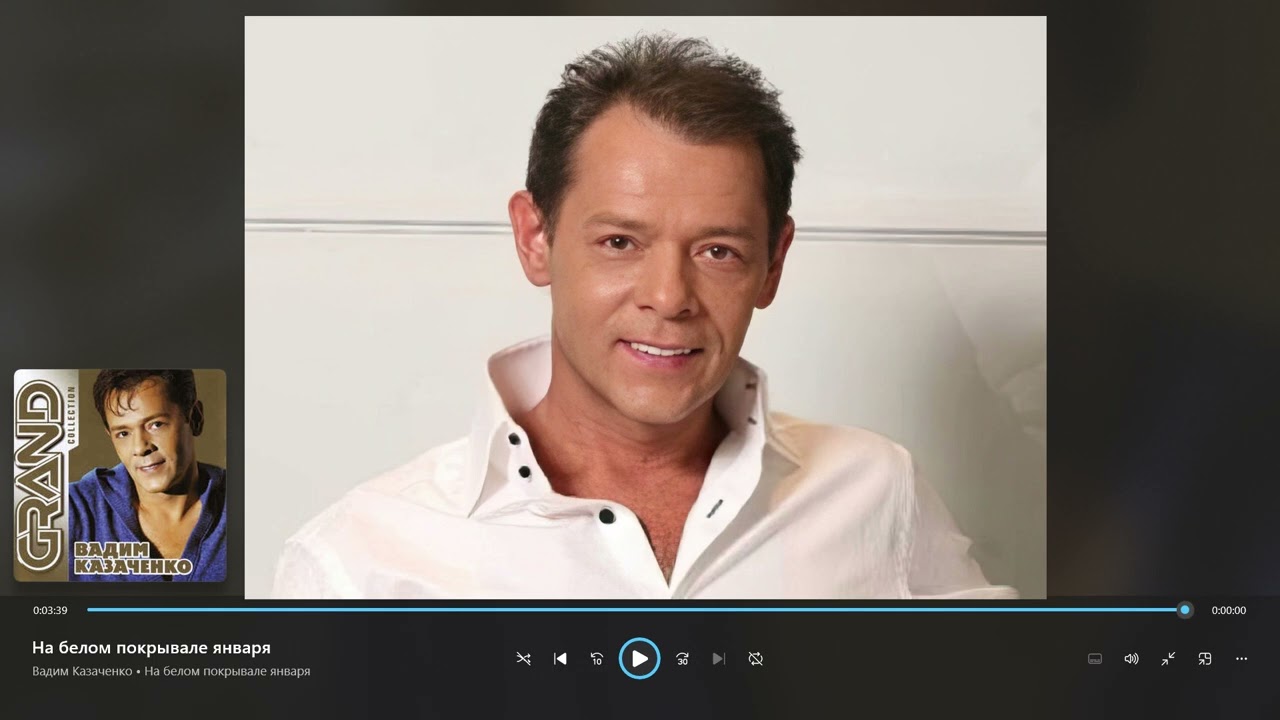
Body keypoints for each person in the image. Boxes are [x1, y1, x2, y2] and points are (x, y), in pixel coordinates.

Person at [274, 33, 1016, 599]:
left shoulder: (877, 493)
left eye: (718, 251)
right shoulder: (357, 563)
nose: (668, 297)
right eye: (620, 243)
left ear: (773, 263)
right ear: (535, 238)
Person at [68, 370, 226, 581]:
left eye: (156, 424)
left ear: (195, 418)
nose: (140, 447)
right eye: (123, 433)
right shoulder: (73, 510)